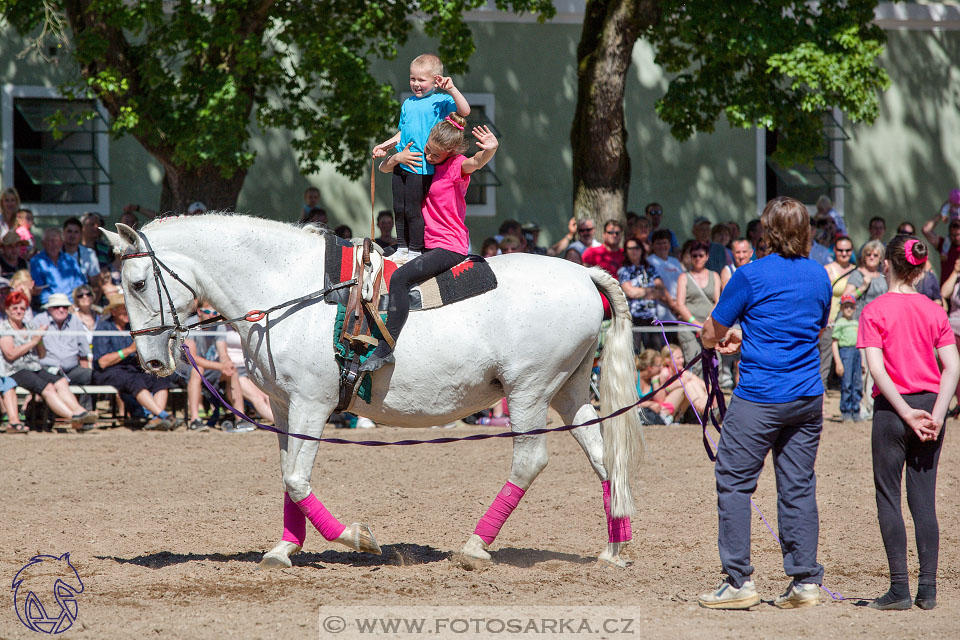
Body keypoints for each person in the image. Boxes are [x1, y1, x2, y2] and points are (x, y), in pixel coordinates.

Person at [698, 196, 830, 610]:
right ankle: (805, 581)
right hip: (807, 396)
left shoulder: (750, 274)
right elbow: (812, 326)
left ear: (766, 231)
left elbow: (710, 331)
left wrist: (722, 337)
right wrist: (746, 336)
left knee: (734, 483)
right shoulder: (820, 275)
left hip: (760, 397)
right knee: (798, 486)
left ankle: (738, 581)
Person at [858, 234, 959, 611]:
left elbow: (876, 368)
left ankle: (899, 589)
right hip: (931, 409)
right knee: (924, 501)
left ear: (886, 263)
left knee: (889, 497)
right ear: (920, 269)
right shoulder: (935, 311)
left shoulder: (875, 309)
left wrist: (902, 410)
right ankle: (928, 590)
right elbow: (952, 366)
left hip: (892, 411)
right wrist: (936, 413)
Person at [363, 117, 497, 373]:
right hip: (423, 243)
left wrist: (490, 149)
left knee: (400, 278)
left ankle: (386, 348)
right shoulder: (424, 159)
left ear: (451, 152)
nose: (430, 156)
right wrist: (395, 158)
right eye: (428, 149)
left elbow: (476, 162)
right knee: (378, 257)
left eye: (436, 154)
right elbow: (384, 169)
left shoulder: (457, 165)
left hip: (449, 246)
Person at [372, 53, 470, 261]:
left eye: (421, 80)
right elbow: (402, 133)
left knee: (413, 210)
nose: (416, 84)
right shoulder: (407, 103)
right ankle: (402, 247)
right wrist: (384, 146)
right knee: (399, 208)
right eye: (412, 78)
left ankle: (415, 250)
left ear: (436, 81)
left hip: (421, 165)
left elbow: (465, 110)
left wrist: (451, 88)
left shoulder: (441, 100)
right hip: (402, 161)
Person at [0, 291, 96, 429]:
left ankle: (80, 411)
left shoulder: (30, 326)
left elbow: (42, 354)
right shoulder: (4, 328)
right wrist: (34, 341)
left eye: (22, 308)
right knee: (48, 388)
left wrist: (39, 341)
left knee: (61, 381)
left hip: (34, 367)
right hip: (15, 370)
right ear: (7, 309)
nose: (19, 311)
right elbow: (10, 355)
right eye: (15, 308)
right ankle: (73, 418)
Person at [92, 293, 176, 430]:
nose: (127, 312)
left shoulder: (131, 327)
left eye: (128, 308)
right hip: (107, 372)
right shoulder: (104, 327)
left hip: (132, 369)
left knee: (159, 378)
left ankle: (156, 420)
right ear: (113, 311)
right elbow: (102, 362)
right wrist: (128, 350)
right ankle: (164, 415)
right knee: (134, 381)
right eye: (123, 309)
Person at [844, 240, 888, 421]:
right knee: (862, 369)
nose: (871, 257)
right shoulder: (857, 274)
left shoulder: (884, 276)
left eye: (875, 255)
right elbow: (847, 297)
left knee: (877, 369)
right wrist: (862, 287)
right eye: (869, 253)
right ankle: (860, 405)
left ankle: (872, 405)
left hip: (883, 328)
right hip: (862, 326)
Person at [618, 239, 674, 351]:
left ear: (642, 250)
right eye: (630, 248)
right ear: (626, 251)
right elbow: (630, 293)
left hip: (651, 317)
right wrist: (651, 290)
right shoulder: (624, 271)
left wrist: (640, 292)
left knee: (655, 353)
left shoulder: (650, 268)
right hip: (633, 318)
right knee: (634, 353)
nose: (634, 251)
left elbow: (662, 290)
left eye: (637, 248)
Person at [819, 235, 857, 400]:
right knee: (825, 359)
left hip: (850, 323)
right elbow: (822, 295)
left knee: (850, 359)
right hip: (831, 320)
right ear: (834, 250)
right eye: (840, 250)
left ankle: (850, 396)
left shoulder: (856, 270)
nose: (844, 253)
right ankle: (821, 394)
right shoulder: (827, 270)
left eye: (847, 250)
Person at [675, 241, 720, 376]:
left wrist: (706, 323)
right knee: (695, 362)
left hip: (710, 325)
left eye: (701, 255)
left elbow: (718, 302)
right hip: (689, 327)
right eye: (694, 256)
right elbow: (680, 304)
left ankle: (715, 393)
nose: (698, 259)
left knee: (714, 360)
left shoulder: (714, 275)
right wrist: (696, 324)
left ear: (707, 256)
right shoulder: (684, 277)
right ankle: (698, 395)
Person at [34, 292, 94, 389]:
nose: (61, 310)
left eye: (65, 307)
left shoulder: (75, 320)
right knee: (51, 383)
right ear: (49, 308)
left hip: (72, 370)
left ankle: (86, 404)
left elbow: (83, 353)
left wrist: (85, 370)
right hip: (45, 370)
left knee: (92, 376)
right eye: (57, 307)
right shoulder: (39, 320)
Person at [29, 228, 87, 306]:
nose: (53, 244)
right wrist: (58, 304)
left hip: (71, 304)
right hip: (49, 304)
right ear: (43, 243)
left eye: (56, 240)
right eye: (50, 241)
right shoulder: (36, 261)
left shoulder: (70, 260)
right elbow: (40, 290)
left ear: (61, 243)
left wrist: (73, 303)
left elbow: (79, 285)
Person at [831, 294, 860, 422]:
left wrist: (863, 363)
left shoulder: (856, 322)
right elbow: (834, 343)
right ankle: (846, 411)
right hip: (845, 353)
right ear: (841, 308)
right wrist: (838, 362)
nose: (849, 309)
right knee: (846, 383)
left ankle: (856, 410)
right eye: (846, 306)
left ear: (855, 308)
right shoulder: (840, 323)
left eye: (851, 306)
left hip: (856, 353)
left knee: (857, 383)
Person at [647, 229, 683, 325]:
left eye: (665, 243)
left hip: (679, 311)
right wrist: (672, 305)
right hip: (660, 312)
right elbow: (656, 286)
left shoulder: (675, 261)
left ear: (670, 244)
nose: (662, 246)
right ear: (653, 245)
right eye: (658, 243)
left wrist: (679, 306)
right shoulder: (649, 261)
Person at [921, 208, 960, 285]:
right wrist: (945, 210)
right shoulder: (945, 245)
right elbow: (926, 230)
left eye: (958, 234)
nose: (956, 238)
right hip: (945, 292)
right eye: (953, 235)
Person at [62, 217, 101, 289]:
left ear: (81, 234)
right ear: (63, 233)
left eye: (76, 232)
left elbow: (95, 285)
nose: (72, 235)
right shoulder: (55, 253)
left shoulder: (89, 254)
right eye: (69, 231)